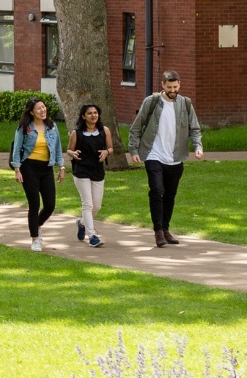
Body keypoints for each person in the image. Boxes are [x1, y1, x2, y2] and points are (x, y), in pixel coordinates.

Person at [128, 69, 203, 247]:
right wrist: (133, 150)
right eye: (169, 87)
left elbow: (194, 128)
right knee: (157, 190)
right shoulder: (152, 102)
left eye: (175, 87)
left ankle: (166, 229)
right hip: (153, 154)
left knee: (170, 195)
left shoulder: (185, 103)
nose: (172, 90)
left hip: (175, 157)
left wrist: (198, 146)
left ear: (179, 85)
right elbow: (136, 127)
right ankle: (158, 231)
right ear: (163, 85)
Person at [11, 97, 65, 252]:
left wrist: (61, 167)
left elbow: (58, 147)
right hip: (29, 168)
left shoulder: (52, 126)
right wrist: (17, 170)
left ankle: (37, 225)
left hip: (46, 168)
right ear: (31, 112)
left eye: (43, 107)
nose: (43, 110)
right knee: (34, 204)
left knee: (50, 205)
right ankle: (35, 238)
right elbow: (17, 149)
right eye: (39, 108)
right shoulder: (24, 127)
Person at [67, 103, 113, 247]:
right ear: (83, 116)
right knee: (87, 204)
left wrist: (106, 152)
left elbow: (111, 148)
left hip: (97, 171)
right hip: (81, 171)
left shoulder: (104, 130)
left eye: (95, 113)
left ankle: (82, 222)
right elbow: (69, 150)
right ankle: (92, 236)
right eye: (89, 113)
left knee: (96, 206)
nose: (93, 115)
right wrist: (73, 153)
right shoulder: (77, 133)